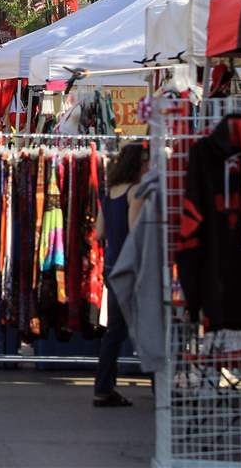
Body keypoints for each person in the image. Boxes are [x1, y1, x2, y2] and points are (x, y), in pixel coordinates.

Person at [93, 142, 147, 408]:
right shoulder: (136, 192)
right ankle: (161, 390)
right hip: (133, 267)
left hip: (113, 265)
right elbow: (135, 230)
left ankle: (103, 387)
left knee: (114, 331)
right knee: (148, 328)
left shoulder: (109, 192)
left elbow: (99, 232)